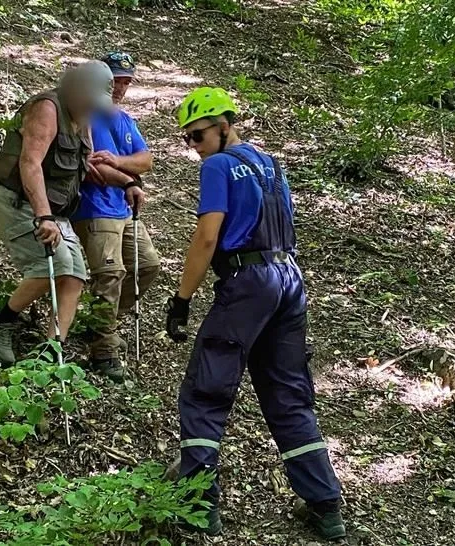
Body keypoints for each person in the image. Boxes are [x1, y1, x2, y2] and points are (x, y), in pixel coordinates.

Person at [165, 87, 346, 540]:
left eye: (199, 136)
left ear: (225, 126)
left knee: (206, 390)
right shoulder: (271, 164)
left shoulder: (218, 166)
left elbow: (208, 237)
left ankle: (197, 505)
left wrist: (182, 299)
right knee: (288, 393)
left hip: (248, 283)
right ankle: (326, 505)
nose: (194, 146)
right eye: (188, 139)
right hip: (288, 279)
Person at [0, 61, 115, 363]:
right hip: (17, 201)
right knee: (52, 266)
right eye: (89, 100)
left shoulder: (84, 116)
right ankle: (0, 322)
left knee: (75, 276)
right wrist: (44, 217)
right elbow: (30, 163)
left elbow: (83, 161)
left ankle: (52, 352)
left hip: (56, 209)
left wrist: (128, 181)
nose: (91, 107)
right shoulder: (47, 109)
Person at [71, 51, 160, 382]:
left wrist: (120, 164)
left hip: (122, 206)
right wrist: (125, 176)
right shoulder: (84, 115)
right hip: (94, 207)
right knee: (110, 273)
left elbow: (146, 160)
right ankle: (103, 350)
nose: (120, 87)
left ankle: (100, 325)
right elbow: (92, 167)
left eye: (126, 81)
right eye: (115, 80)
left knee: (147, 266)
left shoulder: (123, 120)